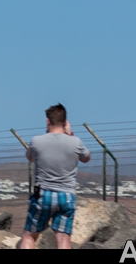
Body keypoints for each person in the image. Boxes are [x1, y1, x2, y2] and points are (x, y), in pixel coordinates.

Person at [19, 104, 92, 250]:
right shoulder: (75, 142)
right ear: (65, 123)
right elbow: (86, 157)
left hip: (43, 194)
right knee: (63, 239)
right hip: (66, 195)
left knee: (29, 236)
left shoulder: (36, 141)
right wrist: (70, 135)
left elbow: (30, 157)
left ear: (48, 121)